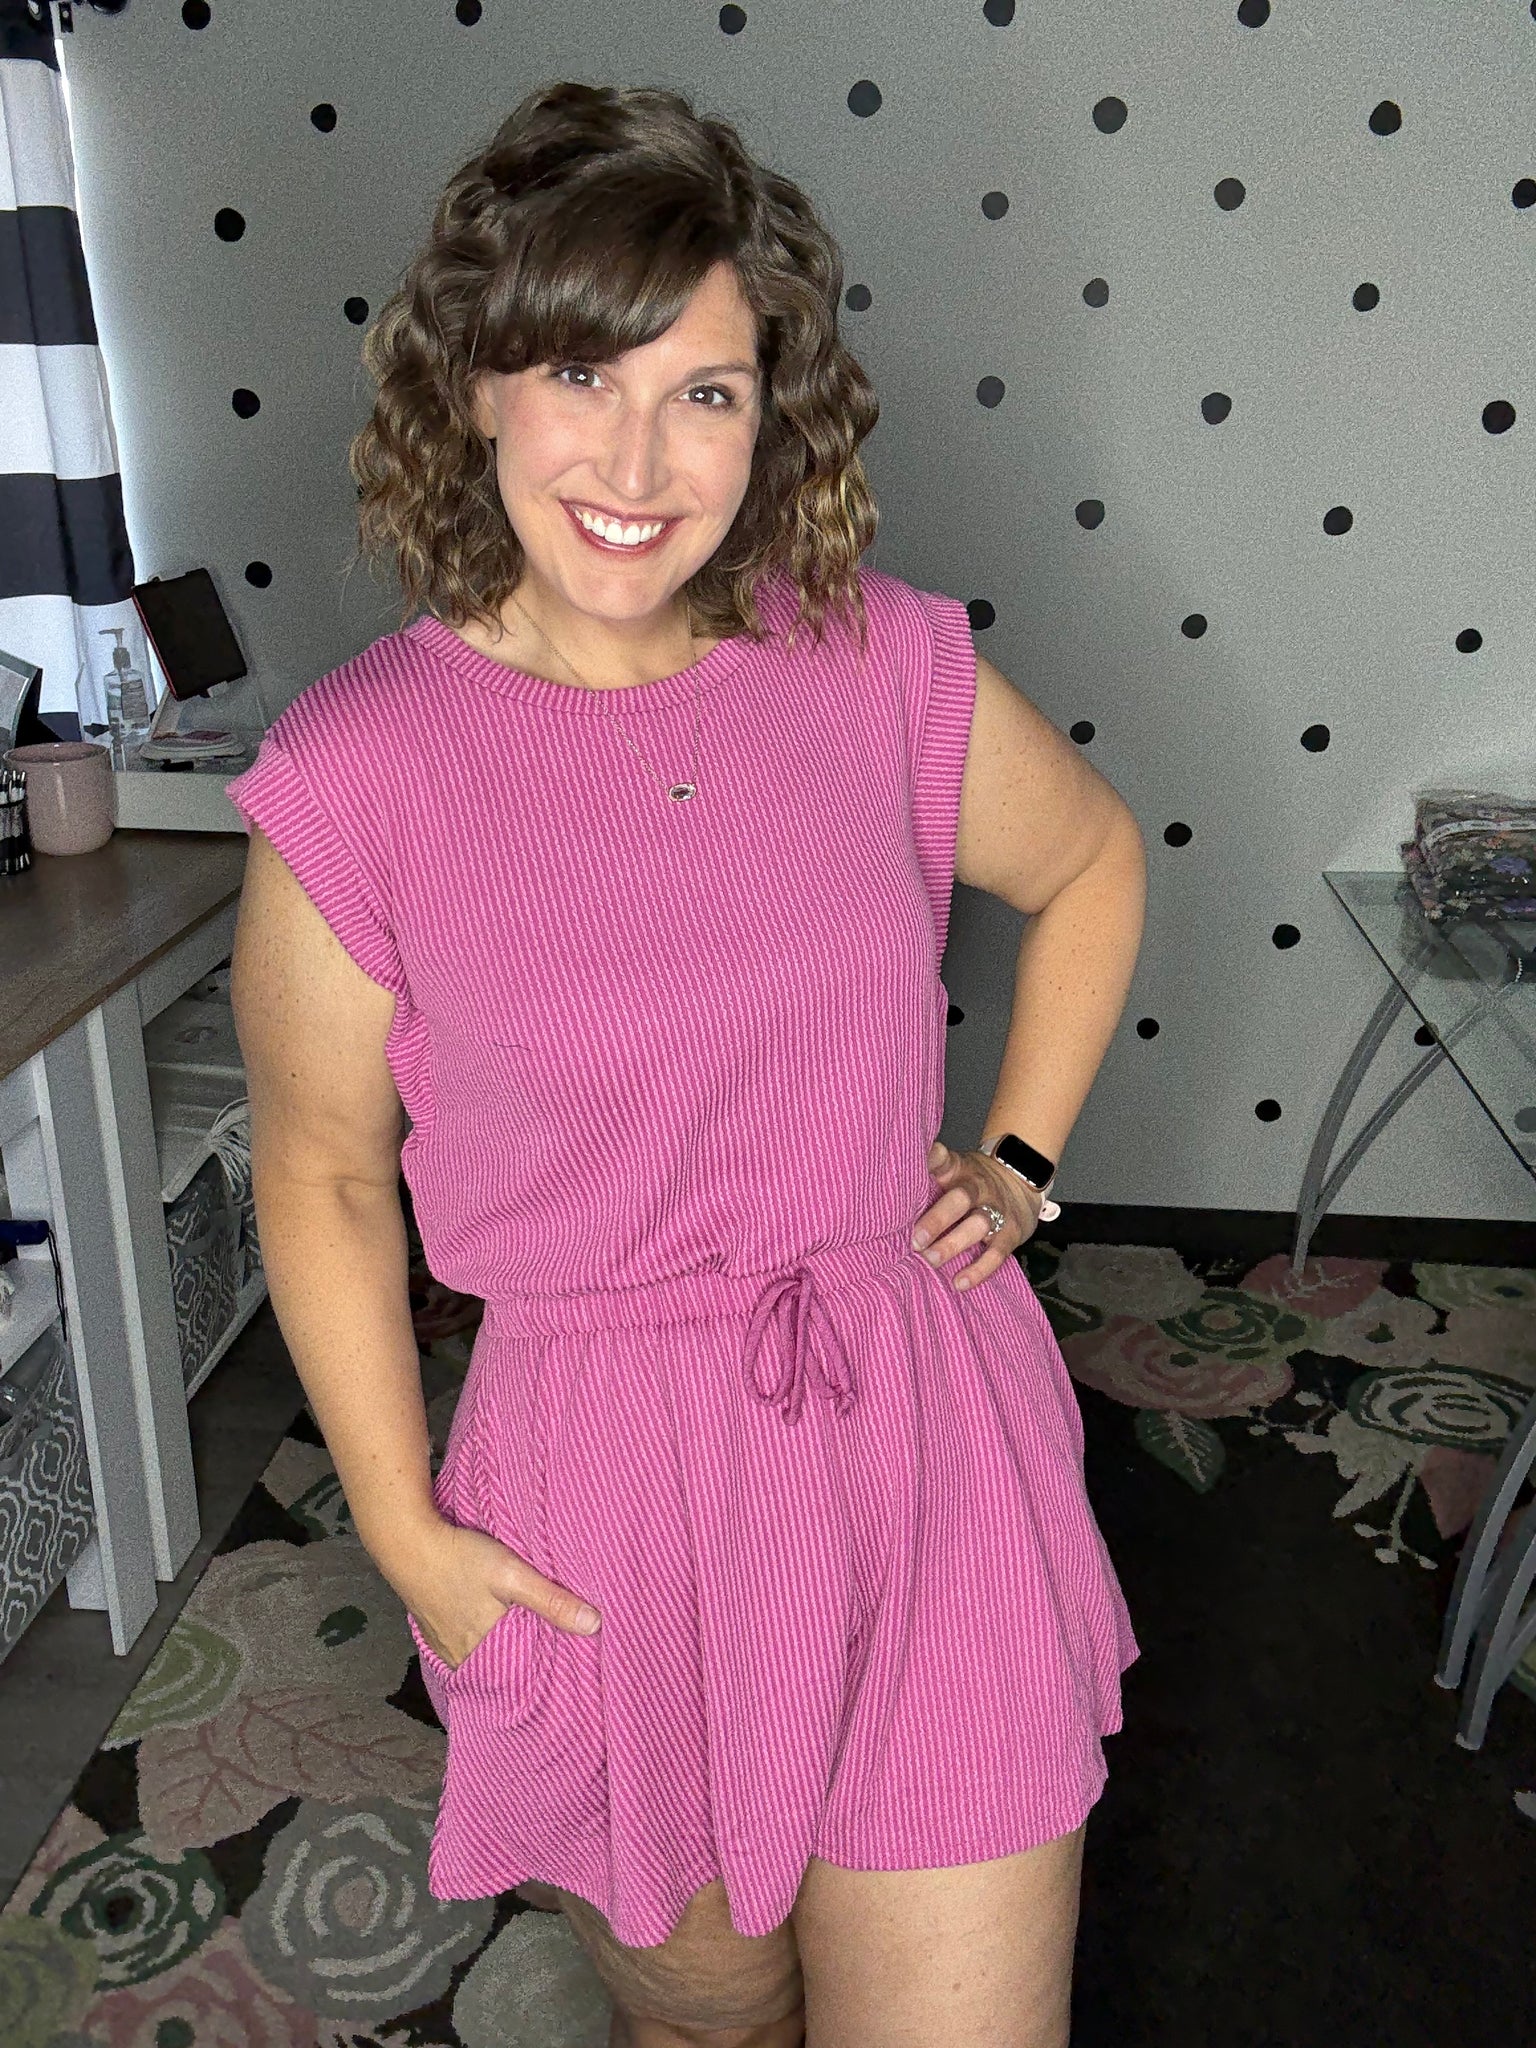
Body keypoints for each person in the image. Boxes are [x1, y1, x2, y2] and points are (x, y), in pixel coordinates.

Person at [228, 80, 1146, 2048]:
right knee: (707, 2019)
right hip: (610, 1498)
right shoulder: (356, 772)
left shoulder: (877, 662)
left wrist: (1014, 1161)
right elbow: (320, 1170)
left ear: (770, 415)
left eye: (705, 391)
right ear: (476, 384)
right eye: (582, 372)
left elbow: (1090, 865)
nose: (639, 461)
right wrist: (400, 1524)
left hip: (920, 1435)